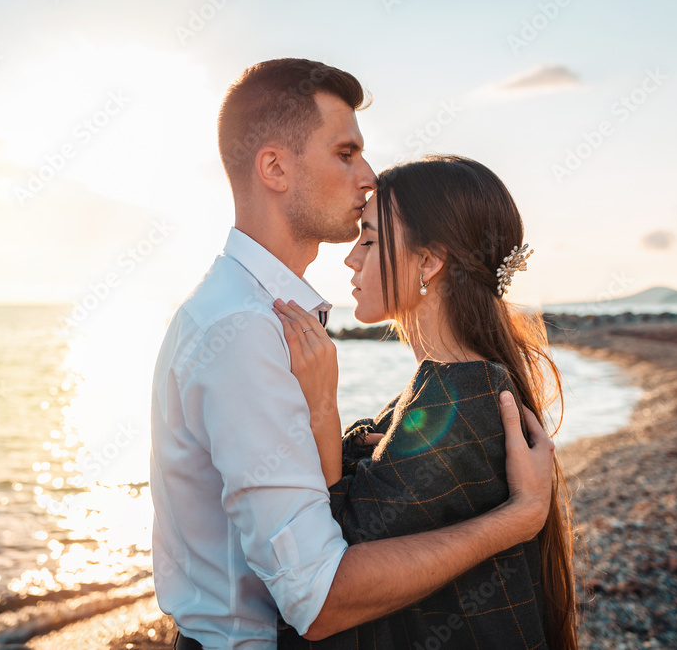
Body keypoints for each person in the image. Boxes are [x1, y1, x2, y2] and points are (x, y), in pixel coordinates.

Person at [149, 58, 556, 649]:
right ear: (274, 168)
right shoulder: (242, 328)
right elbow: (318, 596)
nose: (367, 176)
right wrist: (518, 520)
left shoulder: (253, 314)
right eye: (345, 153)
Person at [272, 155, 580, 649]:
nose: (351, 258)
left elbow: (328, 580)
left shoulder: (459, 394)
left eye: (369, 240)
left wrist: (322, 408)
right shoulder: (451, 386)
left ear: (429, 262)